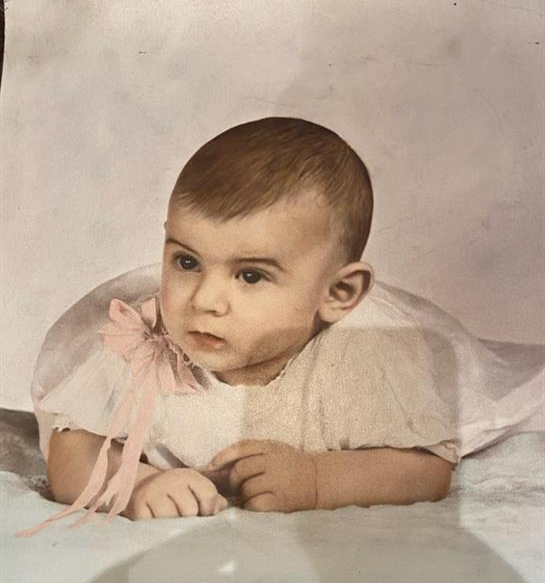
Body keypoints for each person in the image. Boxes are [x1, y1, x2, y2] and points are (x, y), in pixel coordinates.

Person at [19, 117, 471, 536]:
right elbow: (71, 447)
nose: (204, 300)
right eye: (187, 262)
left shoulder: (361, 357)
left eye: (251, 275)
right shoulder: (147, 343)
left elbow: (426, 469)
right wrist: (137, 484)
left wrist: (318, 479)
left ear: (338, 293)